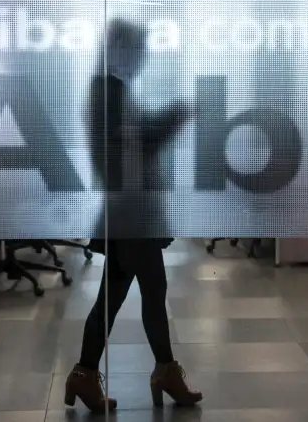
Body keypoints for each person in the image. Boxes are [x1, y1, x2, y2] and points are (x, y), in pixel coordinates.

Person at [64, 20, 203, 413]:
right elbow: (130, 150)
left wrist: (167, 122)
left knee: (117, 295)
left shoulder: (110, 89)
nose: (142, 57)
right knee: (150, 289)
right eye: (137, 49)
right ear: (120, 50)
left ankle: (87, 373)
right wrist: (174, 119)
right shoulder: (107, 91)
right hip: (130, 213)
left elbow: (133, 142)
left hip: (131, 211)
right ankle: (163, 371)